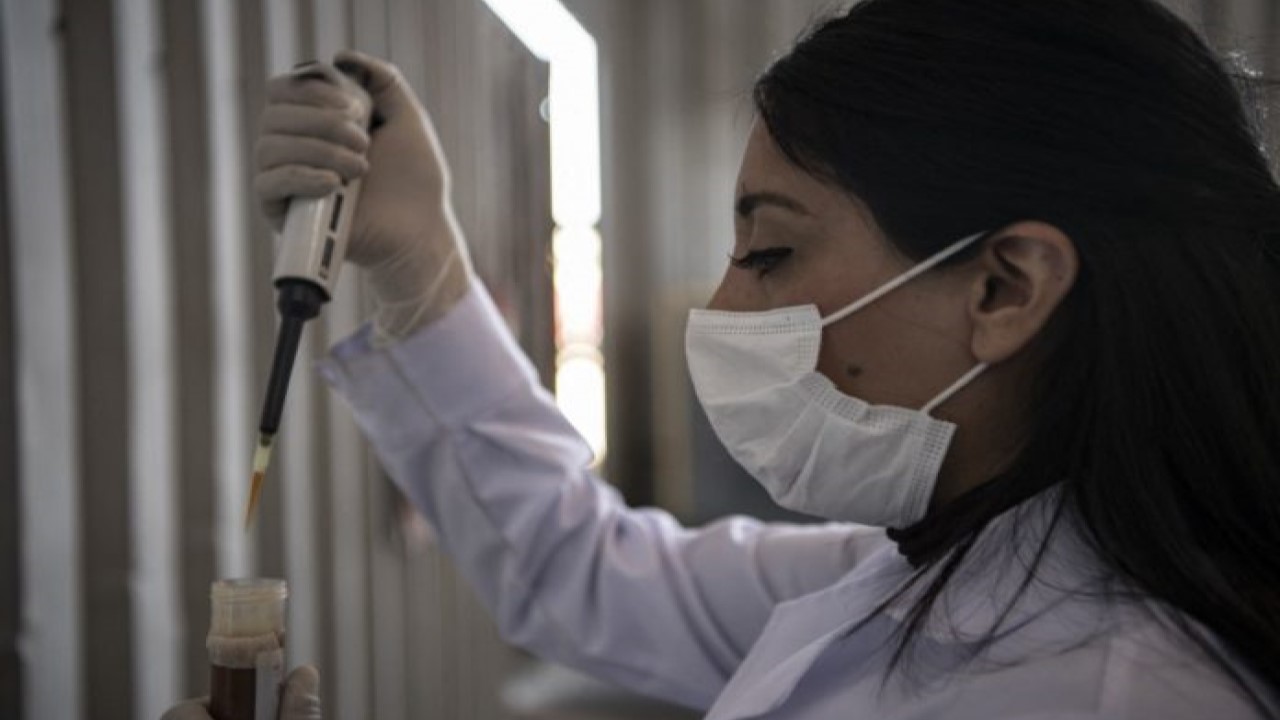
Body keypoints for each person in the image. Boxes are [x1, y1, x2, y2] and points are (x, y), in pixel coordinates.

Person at [166, 0, 1280, 717]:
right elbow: (581, 570)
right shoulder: (930, 574)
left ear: (1006, 288)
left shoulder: (1111, 692)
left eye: (770, 252)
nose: (722, 307)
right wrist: (421, 265)